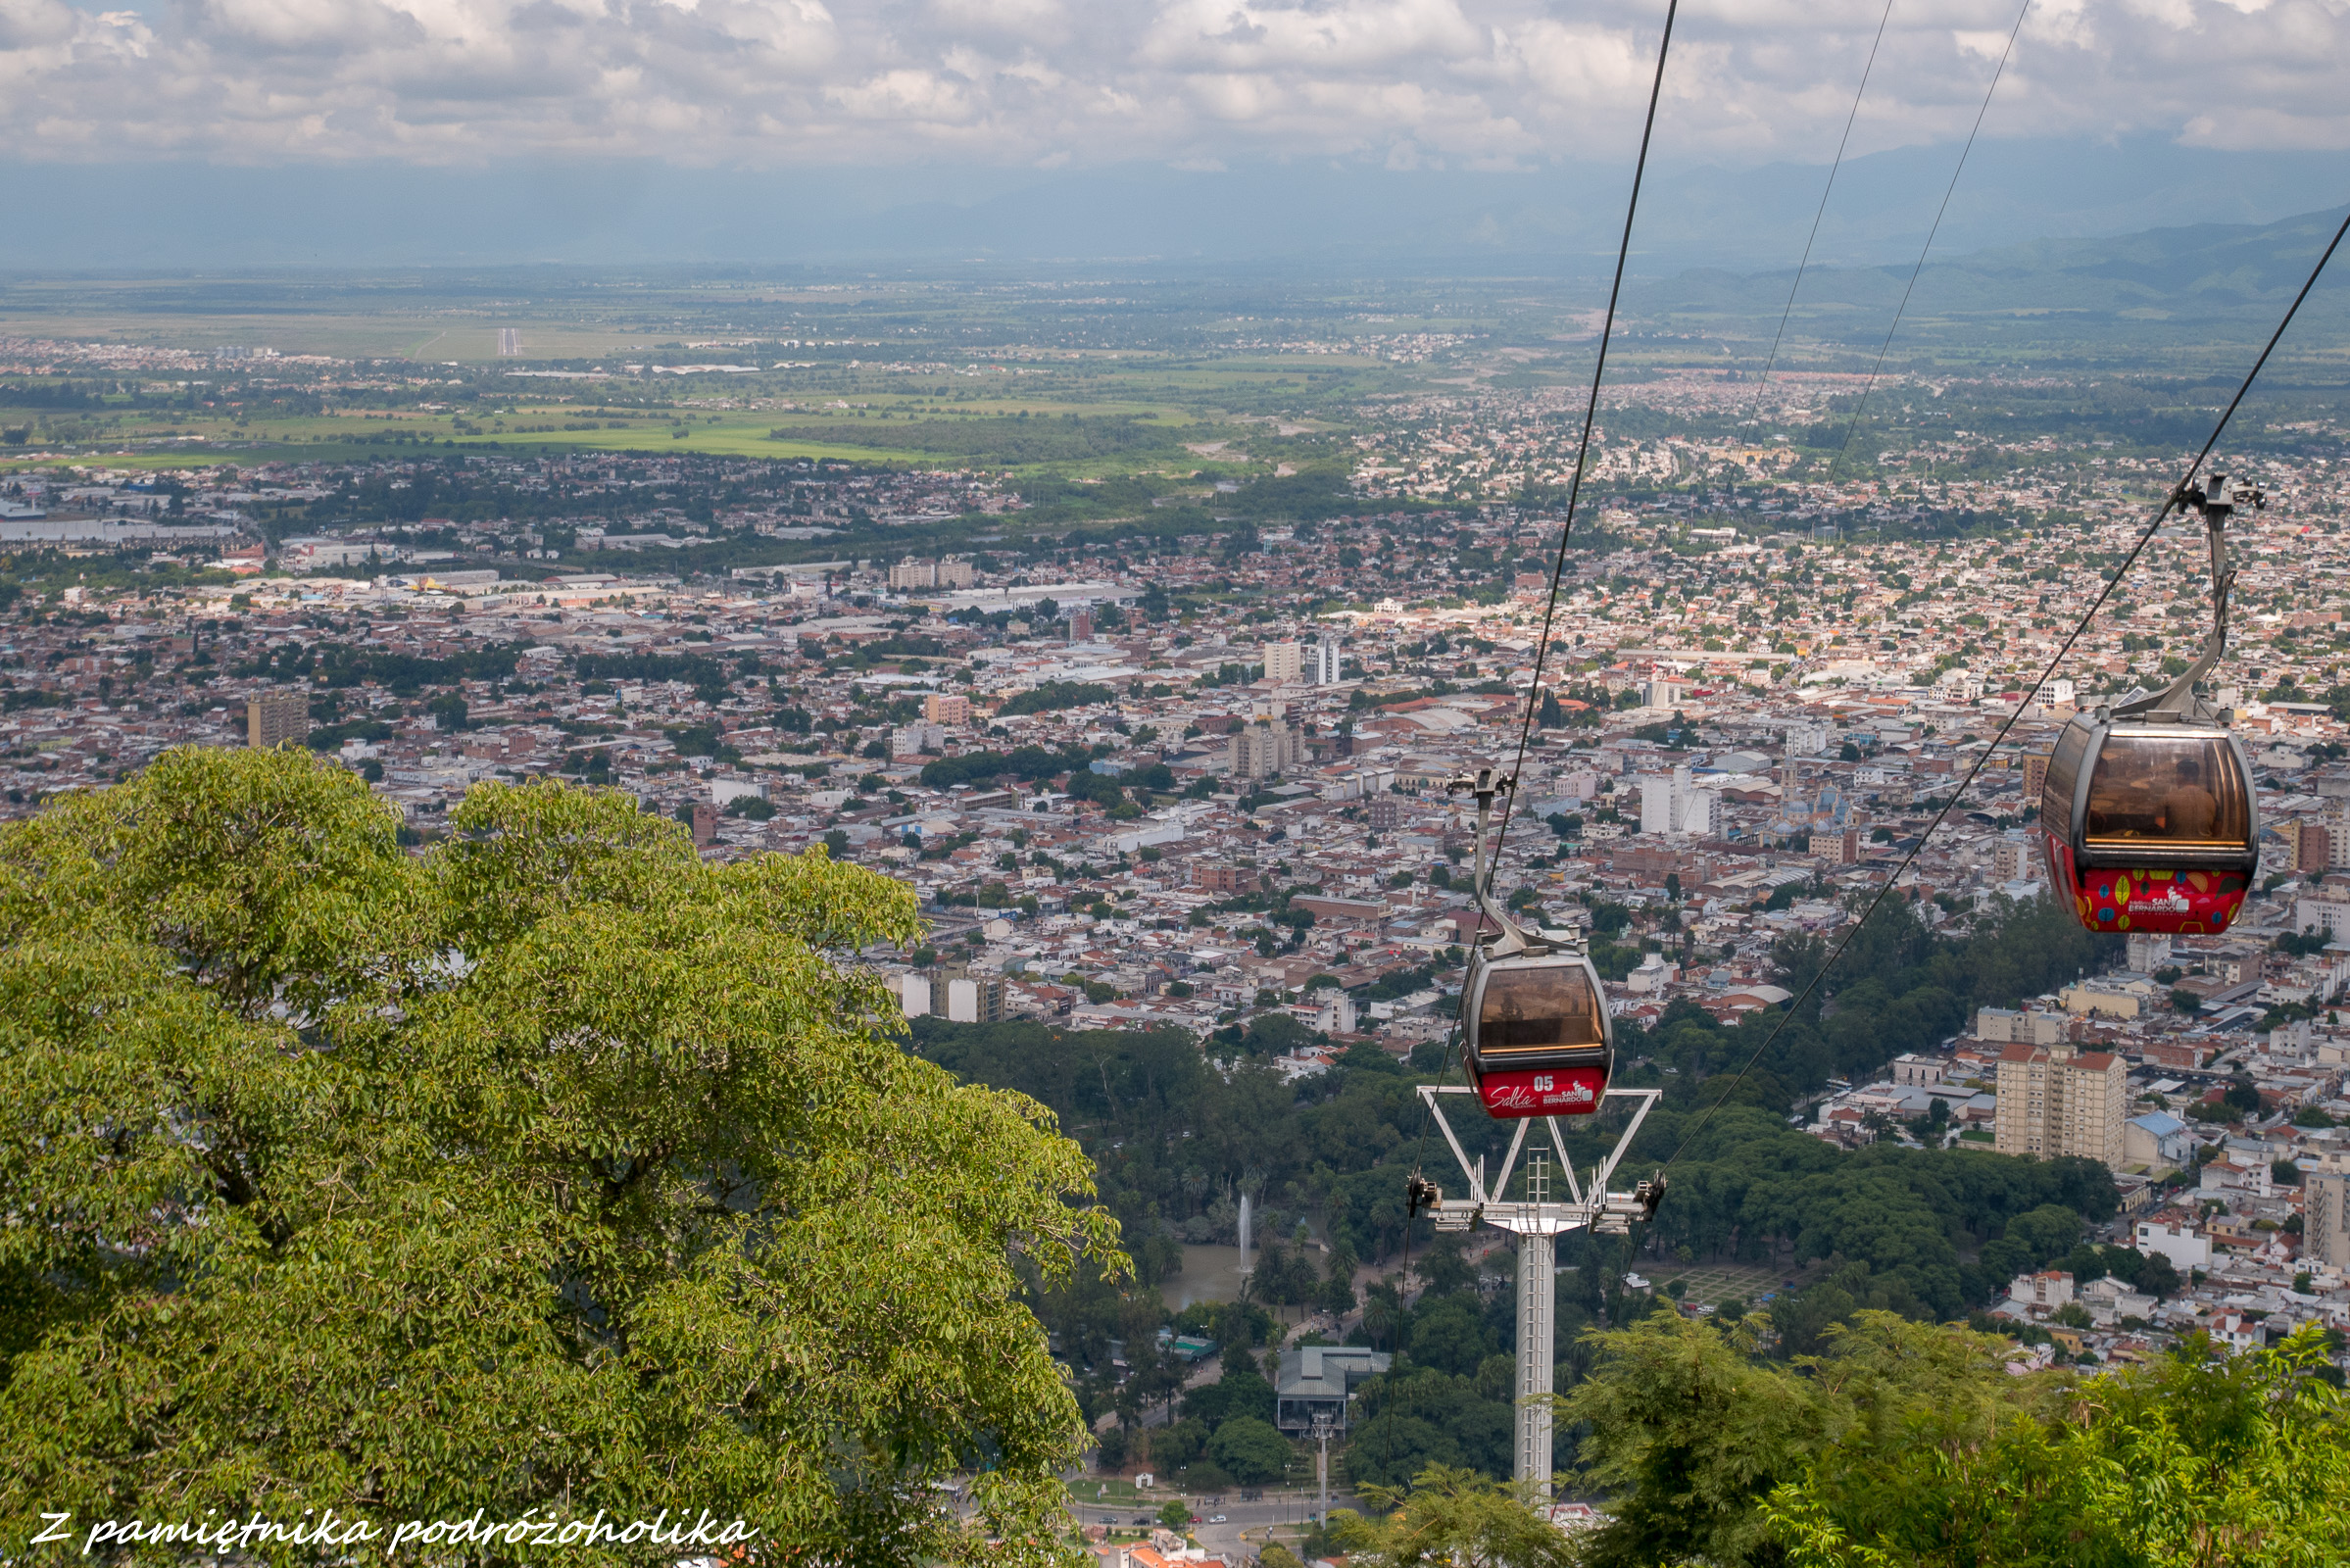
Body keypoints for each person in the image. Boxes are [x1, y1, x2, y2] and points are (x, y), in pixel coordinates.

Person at [2160, 752, 2220, 840]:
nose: (2176, 777)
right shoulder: (2213, 801)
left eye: (2177, 774)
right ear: (2197, 776)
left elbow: (2159, 830)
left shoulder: (2167, 799)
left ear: (2181, 776)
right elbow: (2217, 834)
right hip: (2205, 850)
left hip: (2175, 849)